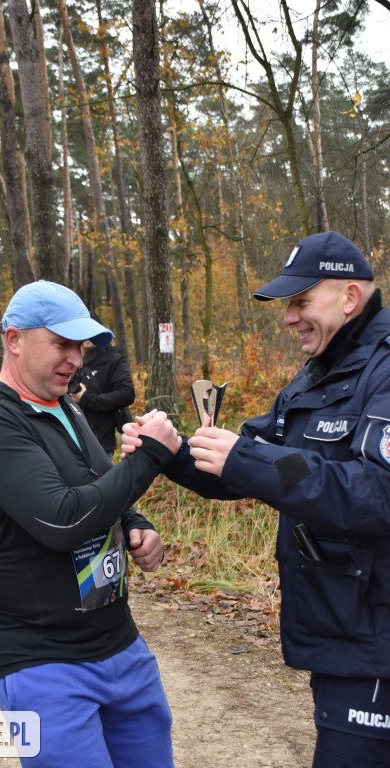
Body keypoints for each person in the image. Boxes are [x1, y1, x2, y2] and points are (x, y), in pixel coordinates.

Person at [122, 231, 390, 768]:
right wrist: (172, 451)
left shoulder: (383, 370)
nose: (289, 319)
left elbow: (376, 494)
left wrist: (247, 459)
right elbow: (250, 468)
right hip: (343, 634)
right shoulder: (316, 376)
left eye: (300, 302)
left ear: (350, 298)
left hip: (377, 646)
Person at [0, 280, 181, 768]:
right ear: (14, 340)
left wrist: (137, 525)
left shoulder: (66, 407)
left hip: (119, 643)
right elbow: (63, 519)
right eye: (61, 344)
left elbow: (99, 487)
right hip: (41, 659)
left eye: (79, 347)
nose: (76, 359)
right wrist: (153, 458)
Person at [69, 312, 135, 459]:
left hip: (101, 441)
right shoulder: (68, 360)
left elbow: (127, 393)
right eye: (82, 331)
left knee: (103, 481)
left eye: (91, 331)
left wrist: (87, 398)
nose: (87, 336)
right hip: (70, 439)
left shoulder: (112, 359)